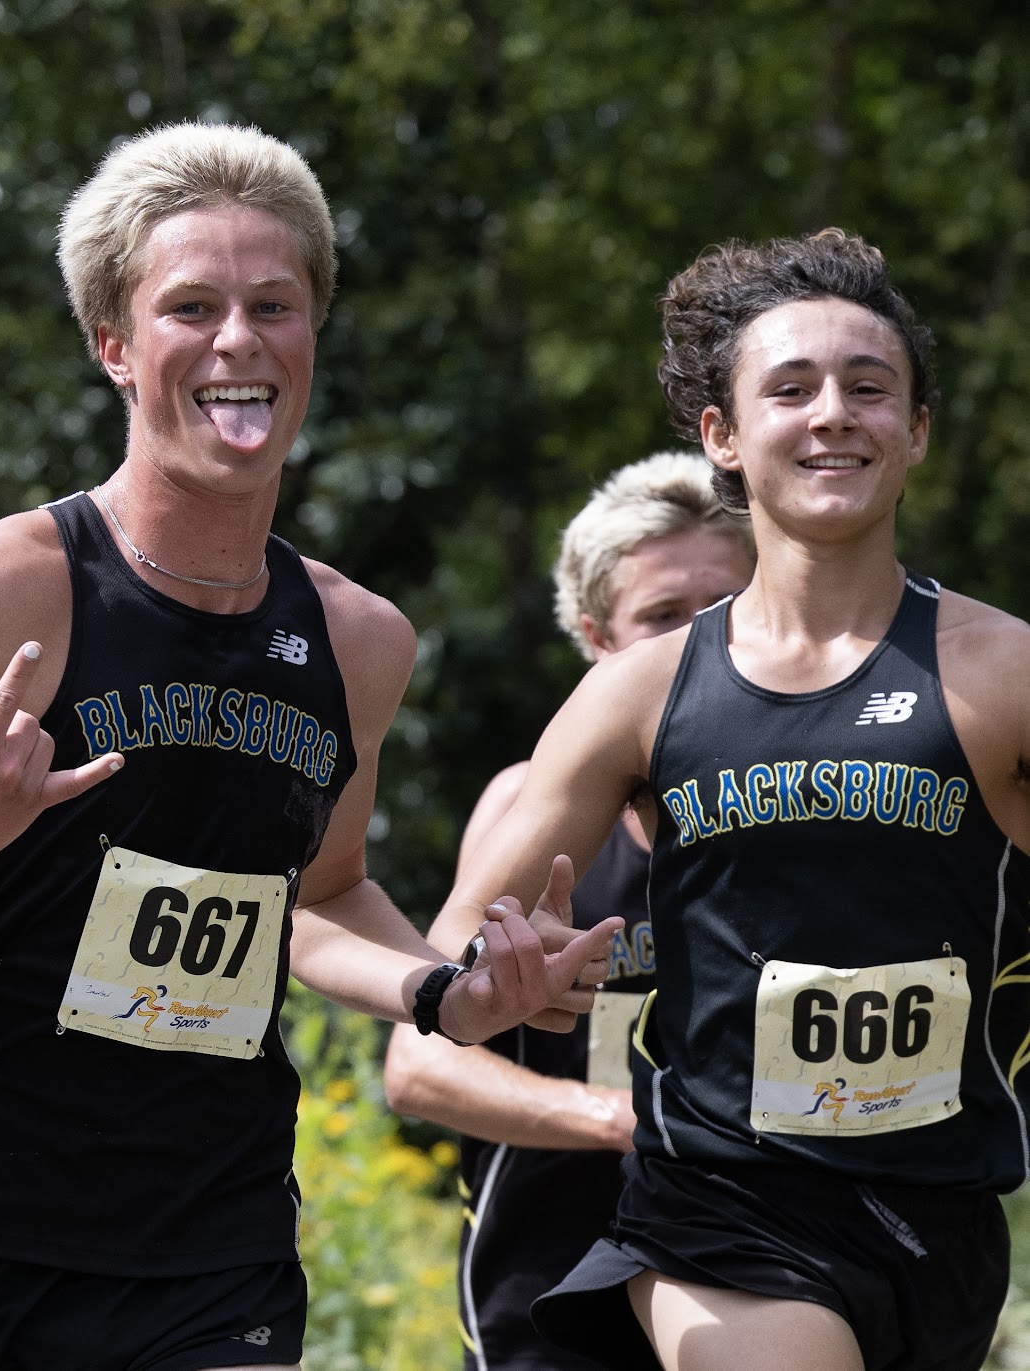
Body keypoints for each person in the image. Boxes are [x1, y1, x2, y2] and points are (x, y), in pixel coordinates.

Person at [0, 122, 620, 1371]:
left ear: (313, 332)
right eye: (191, 308)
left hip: (215, 1255)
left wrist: (446, 989)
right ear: (114, 343)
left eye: (274, 306)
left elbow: (322, 894)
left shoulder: (359, 640)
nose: (238, 341)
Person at [433, 226, 1030, 1371]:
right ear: (722, 435)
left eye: (869, 388)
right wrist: (498, 971)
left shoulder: (1002, 673)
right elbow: (460, 938)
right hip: (717, 1204)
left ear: (916, 430)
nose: (832, 414)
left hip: (943, 1214)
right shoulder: (640, 691)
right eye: (790, 389)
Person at [383, 452, 754, 1371]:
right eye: (662, 615)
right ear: (596, 637)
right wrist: (624, 1117)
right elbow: (418, 1069)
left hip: (757, 1269)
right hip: (546, 1290)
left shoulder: (817, 813)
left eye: (722, 608)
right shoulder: (527, 808)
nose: (694, 641)